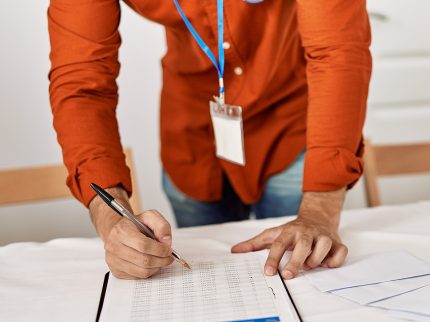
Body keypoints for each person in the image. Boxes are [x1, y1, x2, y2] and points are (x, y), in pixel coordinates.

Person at [48, 0, 372, 280]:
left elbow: (337, 53)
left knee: (303, 275)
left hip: (291, 124)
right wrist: (112, 219)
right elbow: (81, 82)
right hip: (192, 137)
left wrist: (321, 208)